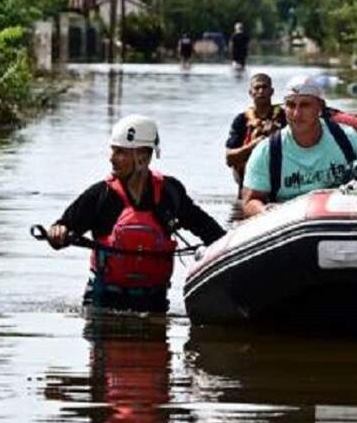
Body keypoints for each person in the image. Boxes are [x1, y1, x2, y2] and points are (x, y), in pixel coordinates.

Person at [46, 114, 226, 313]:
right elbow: (62, 229)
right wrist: (58, 232)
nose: (111, 158)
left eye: (121, 152)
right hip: (103, 303)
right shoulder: (100, 195)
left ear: (143, 158)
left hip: (154, 303)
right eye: (113, 151)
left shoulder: (170, 193)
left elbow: (210, 232)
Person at [240, 75, 357, 217]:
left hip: (342, 217)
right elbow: (250, 201)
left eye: (305, 105)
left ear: (320, 108)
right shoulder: (267, 151)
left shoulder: (348, 139)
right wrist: (267, 212)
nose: (297, 113)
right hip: (290, 224)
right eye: (291, 105)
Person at [224, 73, 286, 190]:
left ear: (271, 91)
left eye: (264, 87)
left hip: (280, 177)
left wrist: (277, 136)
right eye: (257, 88)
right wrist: (254, 145)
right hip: (247, 180)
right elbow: (229, 159)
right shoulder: (241, 120)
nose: (261, 91)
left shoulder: (284, 117)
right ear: (251, 92)